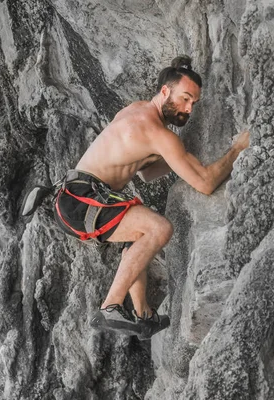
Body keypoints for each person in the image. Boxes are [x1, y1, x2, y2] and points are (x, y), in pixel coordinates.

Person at [53, 55, 250, 339]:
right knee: (160, 228)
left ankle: (143, 314)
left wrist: (175, 157)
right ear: (165, 91)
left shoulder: (136, 110)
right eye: (184, 99)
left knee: (139, 233)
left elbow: (145, 174)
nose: (188, 109)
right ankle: (111, 306)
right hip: (82, 199)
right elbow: (206, 184)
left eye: (193, 103)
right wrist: (237, 149)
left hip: (73, 197)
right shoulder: (158, 133)